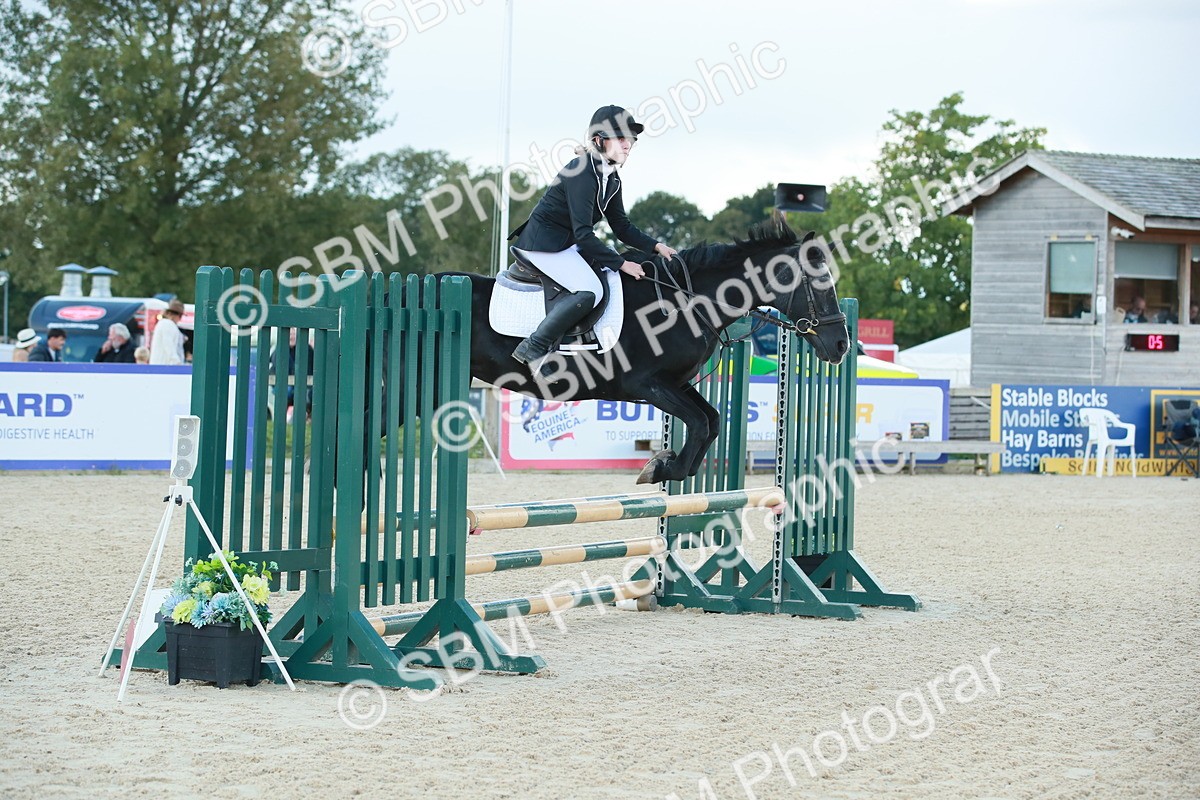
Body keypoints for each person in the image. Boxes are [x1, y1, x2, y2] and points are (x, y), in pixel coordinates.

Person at [508, 105, 678, 372]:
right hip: (544, 246)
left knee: (608, 276)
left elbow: (621, 227)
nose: (628, 144)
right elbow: (584, 234)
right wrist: (622, 264)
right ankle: (535, 346)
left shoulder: (611, 178)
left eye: (631, 139)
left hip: (566, 244)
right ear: (599, 140)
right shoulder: (582, 171)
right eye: (620, 138)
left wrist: (656, 246)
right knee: (590, 291)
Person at [150, 298, 186, 365]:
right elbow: (168, 345)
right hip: (165, 365)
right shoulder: (168, 324)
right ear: (177, 315)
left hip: (160, 365)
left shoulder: (163, 324)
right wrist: (176, 361)